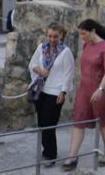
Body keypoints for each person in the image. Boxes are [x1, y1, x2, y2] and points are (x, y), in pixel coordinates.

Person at [60, 20, 105, 170]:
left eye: (84, 33)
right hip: (85, 89)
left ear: (93, 31)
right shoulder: (87, 45)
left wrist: (100, 89)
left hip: (101, 90)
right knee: (79, 120)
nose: (82, 37)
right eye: (80, 33)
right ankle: (72, 156)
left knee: (103, 122)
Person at [28, 23, 75, 166]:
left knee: (49, 123)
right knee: (42, 123)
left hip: (55, 92)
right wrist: (40, 71)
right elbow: (32, 64)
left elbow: (68, 73)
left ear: (61, 35)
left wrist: (63, 91)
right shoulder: (41, 48)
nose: (52, 39)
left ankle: (50, 154)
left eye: (55, 36)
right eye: (50, 36)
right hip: (41, 90)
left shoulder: (65, 52)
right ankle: (46, 150)